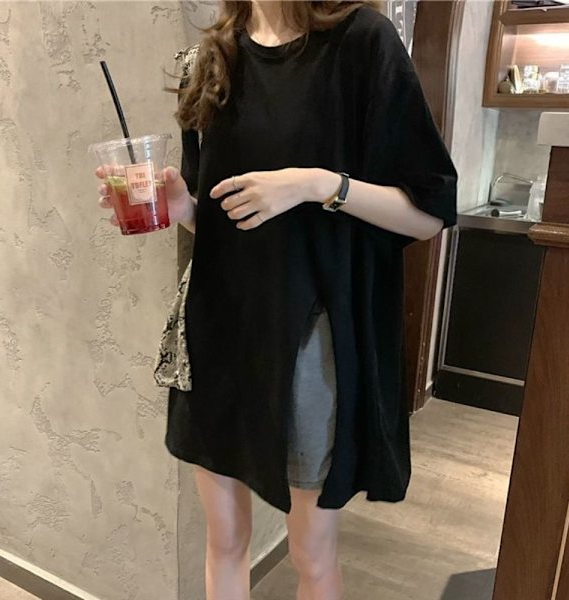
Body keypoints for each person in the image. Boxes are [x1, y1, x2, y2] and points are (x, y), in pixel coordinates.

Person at [96, 1, 457, 599]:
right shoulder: (210, 59)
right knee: (224, 538)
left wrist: (317, 184)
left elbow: (430, 213)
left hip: (310, 337)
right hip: (218, 329)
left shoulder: (362, 43)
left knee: (310, 551)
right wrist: (182, 207)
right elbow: (221, 221)